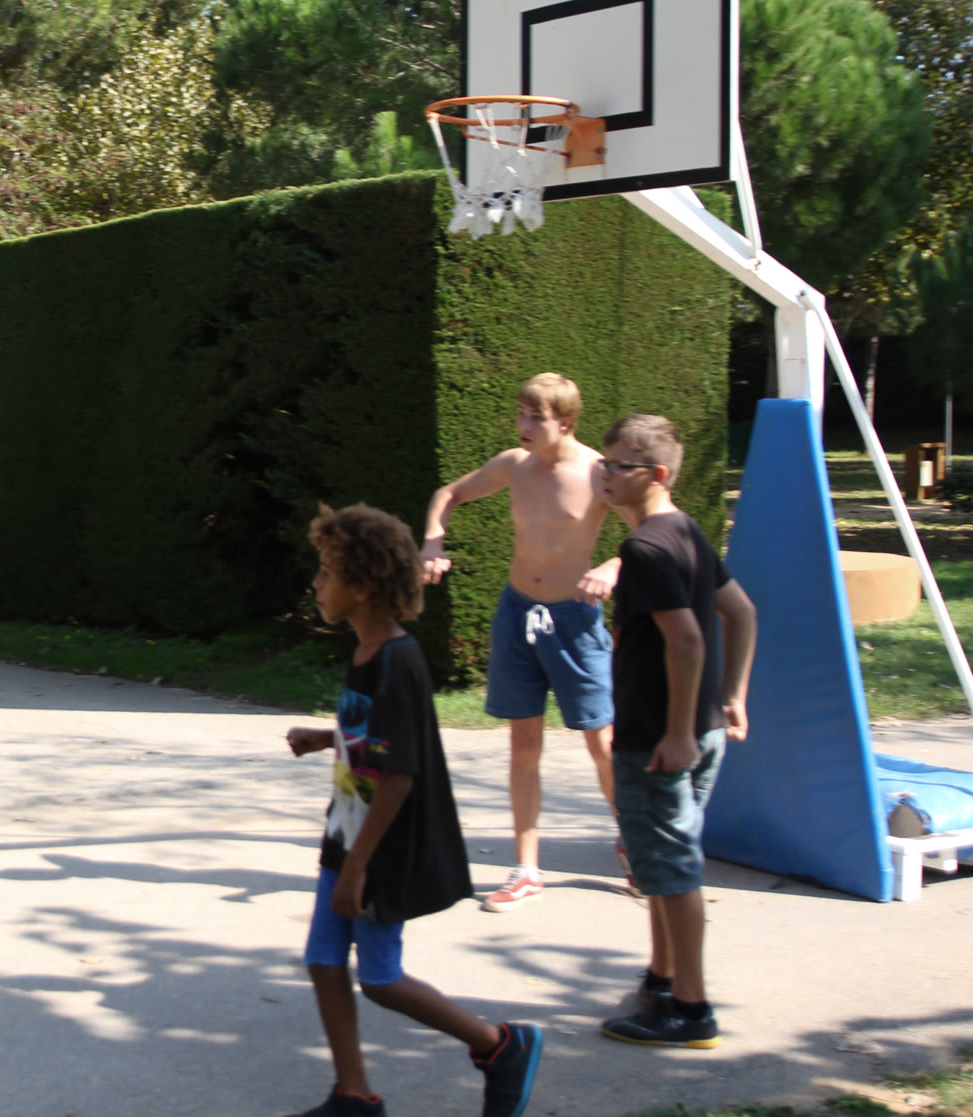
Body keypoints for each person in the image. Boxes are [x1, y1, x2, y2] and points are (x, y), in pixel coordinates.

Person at [284, 504, 542, 1117]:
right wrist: (328, 738)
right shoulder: (367, 652)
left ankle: (499, 1045)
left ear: (362, 587)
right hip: (346, 831)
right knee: (323, 962)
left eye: (327, 572)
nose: (316, 583)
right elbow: (379, 738)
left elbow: (399, 777)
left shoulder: (396, 661)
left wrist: (357, 869)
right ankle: (354, 1095)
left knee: (380, 978)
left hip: (380, 848)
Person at [420, 372, 624, 910]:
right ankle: (526, 869)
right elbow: (449, 494)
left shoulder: (599, 474)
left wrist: (612, 566)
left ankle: (635, 841)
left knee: (601, 744)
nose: (524, 425)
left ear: (567, 422)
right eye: (521, 414)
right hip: (517, 614)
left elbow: (651, 532)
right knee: (523, 742)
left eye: (536, 417)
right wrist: (432, 542)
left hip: (575, 621)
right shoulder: (515, 464)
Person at [595, 414, 756, 1049]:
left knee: (674, 868)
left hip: (662, 739)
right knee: (659, 863)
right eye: (604, 462)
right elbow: (742, 612)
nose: (605, 474)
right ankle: (662, 979)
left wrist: (679, 731)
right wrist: (733, 697)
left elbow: (687, 641)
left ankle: (690, 1010)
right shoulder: (685, 529)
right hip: (697, 730)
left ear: (656, 475)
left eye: (619, 466)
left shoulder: (646, 549)